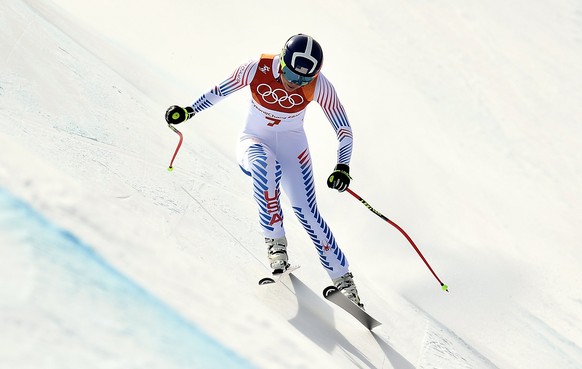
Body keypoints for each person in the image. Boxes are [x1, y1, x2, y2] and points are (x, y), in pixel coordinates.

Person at [165, 34, 363, 308]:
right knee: (264, 166)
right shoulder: (256, 66)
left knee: (307, 212)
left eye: (304, 80)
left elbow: (343, 128)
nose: (296, 85)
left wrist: (342, 166)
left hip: (293, 145)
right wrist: (189, 111)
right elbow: (220, 90)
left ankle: (344, 282)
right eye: (293, 75)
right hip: (254, 139)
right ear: (282, 62)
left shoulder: (320, 85)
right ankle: (276, 246)